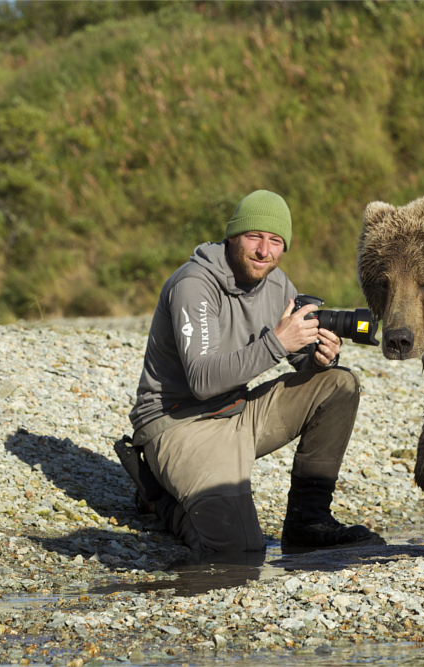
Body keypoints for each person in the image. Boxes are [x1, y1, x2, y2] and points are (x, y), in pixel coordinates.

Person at [124, 190, 384, 553]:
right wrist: (278, 343)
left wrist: (319, 358)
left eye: (275, 241)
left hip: (237, 412)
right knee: (239, 550)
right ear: (233, 235)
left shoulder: (277, 285)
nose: (264, 251)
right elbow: (202, 381)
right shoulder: (194, 285)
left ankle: (308, 522)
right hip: (179, 424)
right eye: (254, 237)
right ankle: (159, 499)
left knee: (338, 384)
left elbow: (299, 360)